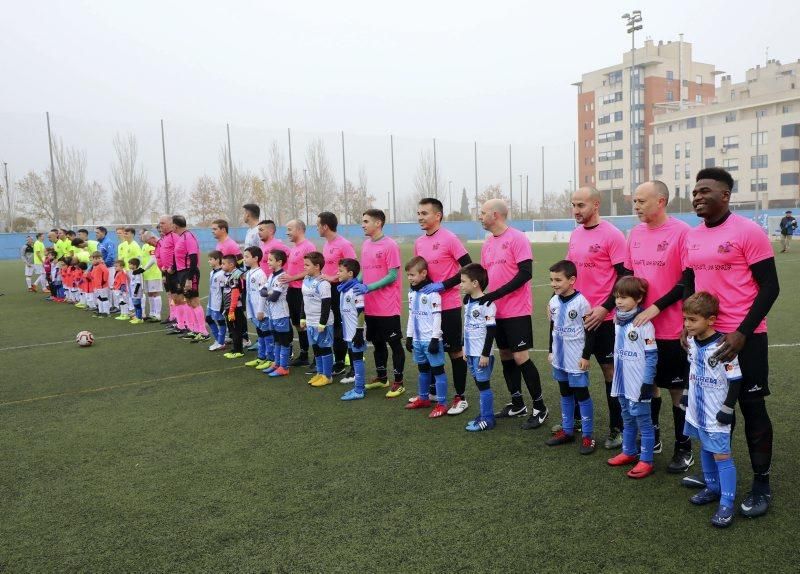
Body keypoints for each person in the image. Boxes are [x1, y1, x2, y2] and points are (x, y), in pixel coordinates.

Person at [682, 167, 779, 518]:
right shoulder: (691, 237)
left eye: (705, 190)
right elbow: (688, 282)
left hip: (745, 337)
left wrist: (742, 332)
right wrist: (688, 326)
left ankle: (762, 483)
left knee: (752, 408)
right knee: (714, 410)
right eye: (694, 192)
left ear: (725, 195)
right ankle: (720, 480)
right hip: (707, 339)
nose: (697, 196)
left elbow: (770, 287)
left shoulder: (748, 232)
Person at [627, 181, 695, 473]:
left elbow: (686, 281)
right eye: (635, 202)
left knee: (676, 390)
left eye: (642, 201)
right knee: (649, 385)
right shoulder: (635, 233)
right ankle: (652, 439)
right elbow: (632, 279)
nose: (637, 206)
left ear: (661, 201)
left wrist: (658, 307)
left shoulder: (682, 233)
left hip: (671, 328)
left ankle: (684, 448)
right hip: (642, 329)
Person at [566, 186, 628, 449]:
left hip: (604, 319)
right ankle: (577, 421)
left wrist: (605, 307)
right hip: (577, 318)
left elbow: (624, 276)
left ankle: (618, 428)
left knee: (609, 371)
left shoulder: (612, 235)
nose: (576, 210)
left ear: (596, 204)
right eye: (574, 205)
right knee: (572, 369)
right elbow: (569, 273)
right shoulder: (575, 234)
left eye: (581, 205)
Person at [478, 199, 548, 429]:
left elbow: (525, 273)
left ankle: (540, 407)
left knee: (520, 357)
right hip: (495, 311)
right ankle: (517, 403)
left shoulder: (517, 238)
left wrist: (496, 293)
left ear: (495, 215)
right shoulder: (487, 243)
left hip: (517, 310)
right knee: (506, 355)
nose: (480, 216)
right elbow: (486, 277)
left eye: (483, 213)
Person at [682, 291, 742, 528]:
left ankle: (727, 503)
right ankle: (713, 487)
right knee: (705, 446)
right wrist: (687, 394)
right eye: (685, 319)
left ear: (710, 320)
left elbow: (736, 380)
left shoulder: (723, 346)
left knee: (721, 454)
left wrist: (728, 407)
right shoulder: (692, 343)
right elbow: (692, 372)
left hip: (716, 412)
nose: (687, 325)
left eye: (692, 320)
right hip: (697, 409)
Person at [413, 198, 473, 415]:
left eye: (424, 213)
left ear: (437, 216)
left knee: (455, 351)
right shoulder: (419, 242)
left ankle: (460, 397)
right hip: (426, 308)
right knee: (429, 348)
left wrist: (444, 284)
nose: (420, 217)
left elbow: (469, 267)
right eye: (418, 213)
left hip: (448, 305)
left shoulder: (450, 238)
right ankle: (430, 394)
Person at [607, 276, 658, 479]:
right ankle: (629, 452)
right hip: (622, 380)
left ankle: (646, 460)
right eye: (617, 297)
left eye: (624, 297)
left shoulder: (644, 324)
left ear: (638, 299)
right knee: (626, 418)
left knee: (643, 421)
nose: (619, 301)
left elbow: (652, 356)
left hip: (638, 383)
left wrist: (647, 382)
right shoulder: (617, 319)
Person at [544, 260, 596, 454]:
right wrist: (550, 350)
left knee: (581, 394)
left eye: (558, 280)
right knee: (565, 393)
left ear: (572, 280)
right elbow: (552, 327)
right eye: (551, 280)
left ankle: (588, 435)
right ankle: (567, 431)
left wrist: (586, 356)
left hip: (576, 357)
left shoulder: (582, 303)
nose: (554, 284)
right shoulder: (553, 301)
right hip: (559, 357)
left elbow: (590, 331)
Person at [353, 209, 405, 396]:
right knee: (377, 342)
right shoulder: (366, 244)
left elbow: (393, 275)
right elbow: (364, 270)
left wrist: (369, 287)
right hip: (371, 305)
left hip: (387, 306)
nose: (363, 224)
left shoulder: (390, 245)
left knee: (394, 344)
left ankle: (398, 382)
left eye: (366, 221)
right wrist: (355, 282)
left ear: (378, 223)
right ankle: (382, 377)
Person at [404, 256, 449, 418]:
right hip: (417, 340)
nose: (410, 278)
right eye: (408, 275)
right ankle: (423, 398)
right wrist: (409, 337)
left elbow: (437, 317)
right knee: (422, 370)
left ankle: (442, 404)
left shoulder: (432, 293)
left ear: (423, 273)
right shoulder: (411, 293)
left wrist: (435, 338)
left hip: (430, 340)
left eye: (412, 275)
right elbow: (411, 315)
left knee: (437, 371)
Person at [317, 211, 357, 377]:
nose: (317, 228)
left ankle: (354, 365)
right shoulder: (327, 244)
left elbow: (353, 268)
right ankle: (339, 362)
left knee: (344, 326)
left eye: (318, 225)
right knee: (335, 326)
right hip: (330, 290)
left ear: (325, 226)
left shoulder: (344, 244)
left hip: (342, 290)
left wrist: (334, 278)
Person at [460, 263, 498, 432]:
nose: (460, 285)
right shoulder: (467, 300)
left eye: (463, 281)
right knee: (478, 383)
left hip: (482, 354)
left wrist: (485, 354)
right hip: (470, 351)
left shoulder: (487, 304)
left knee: (484, 386)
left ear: (475, 283)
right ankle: (484, 414)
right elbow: (466, 325)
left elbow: (491, 332)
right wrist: (463, 347)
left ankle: (488, 419)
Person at [279, 220, 317, 366]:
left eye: (289, 229)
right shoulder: (294, 247)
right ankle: (303, 354)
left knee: (307, 324)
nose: (287, 232)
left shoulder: (308, 246)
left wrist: (291, 277)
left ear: (299, 229)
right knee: (297, 324)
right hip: (292, 290)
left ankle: (317, 358)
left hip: (303, 291)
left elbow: (312, 270)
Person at [169, 216, 206, 340]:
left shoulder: (188, 237)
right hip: (181, 273)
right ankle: (195, 330)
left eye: (171, 224)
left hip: (189, 272)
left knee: (194, 301)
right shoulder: (181, 237)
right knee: (189, 302)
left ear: (175, 226)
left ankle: (203, 332)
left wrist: (190, 278)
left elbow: (194, 259)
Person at [302, 251, 335, 387]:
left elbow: (326, 304)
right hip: (310, 321)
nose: (304, 267)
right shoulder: (306, 280)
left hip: (322, 322)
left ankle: (327, 376)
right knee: (315, 348)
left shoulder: (323, 283)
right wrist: (302, 318)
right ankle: (320, 373)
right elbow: (303, 300)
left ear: (317, 266)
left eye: (307, 265)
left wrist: (322, 322)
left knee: (324, 348)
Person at [337, 258, 368, 401]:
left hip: (356, 332)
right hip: (349, 332)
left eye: (341, 271)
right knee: (355, 359)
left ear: (350, 273)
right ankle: (358, 386)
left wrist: (359, 331)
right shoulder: (344, 288)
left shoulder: (355, 289)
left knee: (357, 360)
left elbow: (361, 311)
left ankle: (359, 389)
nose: (338, 273)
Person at [261, 249, 292, 377]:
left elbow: (274, 297)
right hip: (272, 314)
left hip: (281, 314)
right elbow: (263, 291)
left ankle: (284, 367)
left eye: (270, 260)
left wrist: (268, 293)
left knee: (283, 340)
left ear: (279, 262)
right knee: (277, 340)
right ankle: (277, 363)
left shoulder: (282, 276)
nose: (267, 262)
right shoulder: (272, 275)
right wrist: (269, 292)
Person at [242, 246, 271, 369]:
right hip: (253, 310)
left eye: (247, 257)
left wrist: (260, 310)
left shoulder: (260, 274)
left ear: (256, 258)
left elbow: (263, 294)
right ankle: (261, 357)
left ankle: (270, 359)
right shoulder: (248, 273)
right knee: (260, 333)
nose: (244, 259)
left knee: (267, 334)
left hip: (261, 311)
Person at [220, 254, 246, 359]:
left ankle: (238, 350)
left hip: (234, 308)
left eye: (223, 264)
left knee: (235, 329)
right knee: (232, 329)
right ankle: (235, 349)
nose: (221, 266)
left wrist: (231, 310)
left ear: (231, 264)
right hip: (230, 308)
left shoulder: (235, 275)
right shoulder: (231, 274)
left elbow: (235, 293)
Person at [155, 215, 178, 325]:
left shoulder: (174, 236)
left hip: (174, 271)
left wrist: (172, 267)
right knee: (171, 295)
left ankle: (180, 319)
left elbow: (178, 253)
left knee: (179, 297)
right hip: (166, 272)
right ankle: (173, 316)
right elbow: (161, 257)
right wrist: (163, 271)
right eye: (159, 225)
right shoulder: (163, 240)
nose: (160, 227)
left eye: (162, 224)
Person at [205, 250, 228, 352]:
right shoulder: (212, 272)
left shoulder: (222, 274)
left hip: (218, 303)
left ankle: (221, 342)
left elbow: (224, 291)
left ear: (217, 260)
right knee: (208, 319)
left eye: (211, 259)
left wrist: (223, 305)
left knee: (220, 321)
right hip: (211, 303)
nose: (209, 261)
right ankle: (218, 340)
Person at [139, 231, 163, 322]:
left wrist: (144, 268)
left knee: (155, 293)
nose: (139, 236)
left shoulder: (153, 245)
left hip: (154, 273)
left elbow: (154, 259)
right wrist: (141, 269)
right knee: (149, 293)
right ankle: (152, 313)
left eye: (140, 234)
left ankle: (157, 314)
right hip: (146, 274)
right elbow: (144, 260)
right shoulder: (145, 245)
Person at [90, 251, 111, 318]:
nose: (92, 261)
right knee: (99, 298)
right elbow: (93, 275)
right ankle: (101, 311)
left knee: (104, 298)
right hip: (97, 286)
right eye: (93, 259)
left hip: (102, 285)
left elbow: (106, 272)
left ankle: (106, 312)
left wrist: (104, 281)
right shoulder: (95, 266)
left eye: (93, 260)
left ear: (99, 258)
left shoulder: (101, 265)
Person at [128, 257, 145, 324]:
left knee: (138, 305)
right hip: (133, 292)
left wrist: (135, 292)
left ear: (134, 265)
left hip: (137, 292)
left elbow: (138, 283)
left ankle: (139, 318)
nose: (129, 265)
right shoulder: (133, 272)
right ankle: (137, 316)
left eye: (130, 264)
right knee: (135, 305)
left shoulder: (137, 273)